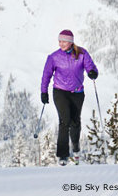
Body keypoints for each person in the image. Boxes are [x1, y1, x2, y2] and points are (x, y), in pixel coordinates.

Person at [40, 29, 98, 166]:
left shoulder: (82, 53)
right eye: (59, 41)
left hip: (77, 93)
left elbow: (91, 67)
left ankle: (76, 148)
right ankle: (63, 156)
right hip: (60, 92)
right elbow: (46, 75)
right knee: (64, 121)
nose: (61, 43)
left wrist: (92, 72)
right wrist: (44, 92)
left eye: (63, 41)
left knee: (75, 122)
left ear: (71, 42)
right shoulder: (54, 57)